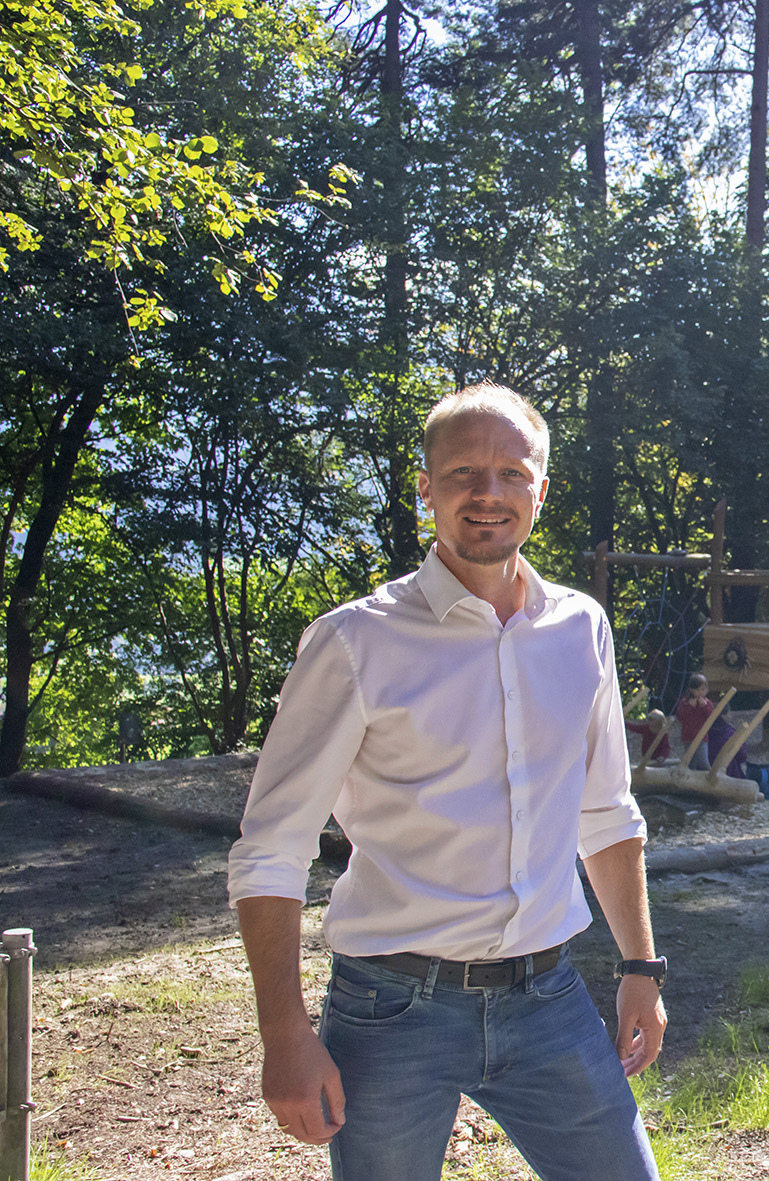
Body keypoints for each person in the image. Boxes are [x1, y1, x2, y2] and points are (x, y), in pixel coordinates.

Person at [228, 383, 666, 1181]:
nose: (487, 492)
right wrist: (285, 1034)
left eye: (510, 471)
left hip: (549, 1000)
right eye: (463, 471)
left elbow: (606, 813)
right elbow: (271, 850)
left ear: (541, 487)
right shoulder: (355, 643)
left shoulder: (581, 629)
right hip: (392, 1010)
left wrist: (641, 966)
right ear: (425, 487)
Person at [675, 672, 748, 777]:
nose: (701, 693)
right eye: (698, 690)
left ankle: (710, 777)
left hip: (703, 737)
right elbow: (681, 717)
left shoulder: (707, 703)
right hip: (688, 736)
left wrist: (704, 707)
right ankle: (690, 780)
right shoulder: (685, 702)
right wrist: (690, 706)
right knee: (690, 761)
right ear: (692, 690)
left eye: (703, 690)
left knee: (703, 761)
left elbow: (711, 717)